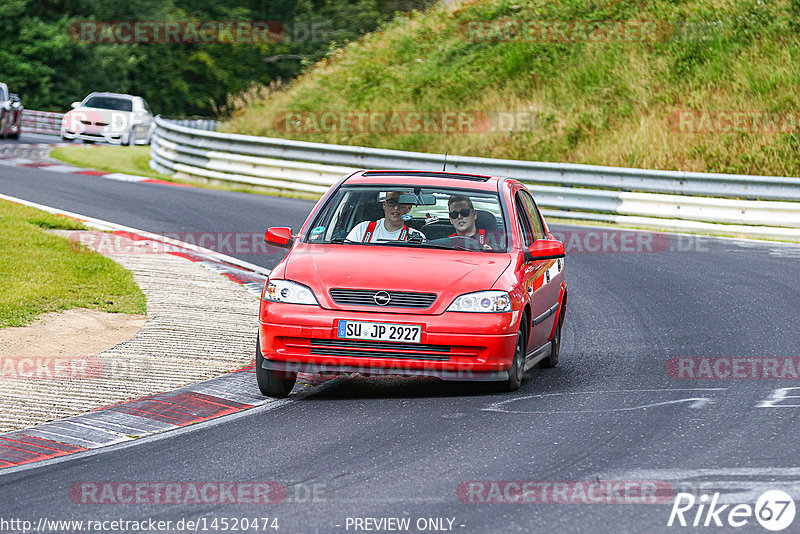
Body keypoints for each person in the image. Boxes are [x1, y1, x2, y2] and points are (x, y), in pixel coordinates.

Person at [346, 191, 425, 243]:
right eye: (391, 202)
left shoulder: (416, 238)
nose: (396, 207)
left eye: (401, 203)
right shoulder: (362, 229)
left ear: (409, 208)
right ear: (384, 204)